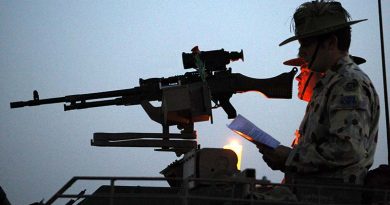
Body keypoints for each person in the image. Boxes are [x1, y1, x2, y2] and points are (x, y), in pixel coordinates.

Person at [257, 0, 380, 187]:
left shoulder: (349, 84)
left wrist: (289, 157)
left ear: (331, 43)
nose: (301, 51)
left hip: (331, 197)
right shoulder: (330, 84)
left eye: (306, 43)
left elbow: (347, 149)